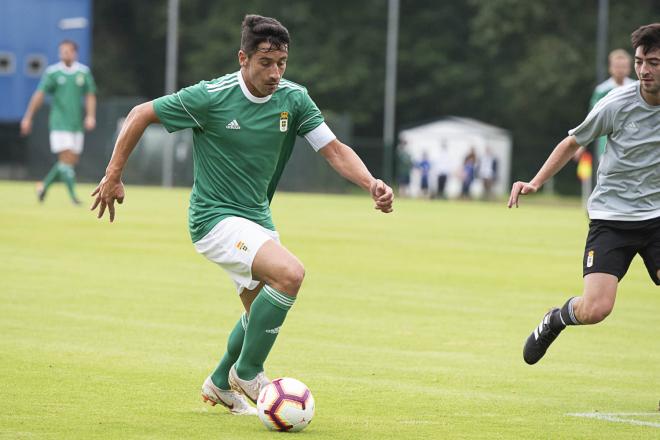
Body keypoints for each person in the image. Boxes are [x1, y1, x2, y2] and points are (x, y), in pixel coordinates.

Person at [90, 15, 394, 415]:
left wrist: (370, 182)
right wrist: (113, 175)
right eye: (266, 62)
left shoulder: (294, 99)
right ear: (243, 58)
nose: (275, 72)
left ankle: (219, 382)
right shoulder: (211, 96)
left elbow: (334, 150)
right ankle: (249, 373)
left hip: (256, 219)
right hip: (213, 220)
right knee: (290, 275)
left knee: (258, 313)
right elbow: (140, 114)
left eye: (282, 62)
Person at [508, 23, 660, 366]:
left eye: (654, 62)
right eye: (640, 62)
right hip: (611, 218)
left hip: (657, 216)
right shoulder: (616, 103)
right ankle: (556, 319)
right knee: (595, 310)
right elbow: (572, 143)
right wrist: (535, 182)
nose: (644, 70)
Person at [21, 40, 97, 205]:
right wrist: (28, 117)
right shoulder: (53, 73)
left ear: (75, 53)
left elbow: (90, 95)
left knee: (69, 162)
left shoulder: (83, 72)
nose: (64, 54)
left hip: (76, 124)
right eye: (62, 51)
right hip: (59, 123)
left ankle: (43, 187)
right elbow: (39, 95)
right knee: (66, 158)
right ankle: (73, 197)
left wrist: (90, 116)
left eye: (67, 51)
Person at [574, 49, 634, 162]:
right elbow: (591, 118)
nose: (620, 70)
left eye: (623, 66)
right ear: (610, 68)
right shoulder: (601, 91)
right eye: (617, 66)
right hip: (606, 144)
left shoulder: (635, 88)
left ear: (629, 68)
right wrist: (581, 144)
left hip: (630, 143)